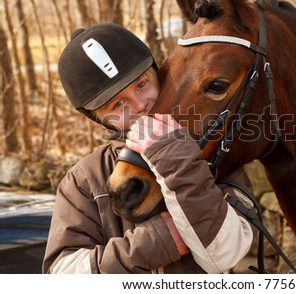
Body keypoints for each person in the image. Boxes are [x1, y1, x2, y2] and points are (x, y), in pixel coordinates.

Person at [42, 23, 256, 274]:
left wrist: (172, 157)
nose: (139, 106)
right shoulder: (83, 181)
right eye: (118, 103)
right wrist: (157, 242)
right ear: (97, 118)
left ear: (158, 73)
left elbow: (227, 252)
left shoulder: (214, 152)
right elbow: (61, 276)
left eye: (141, 85)